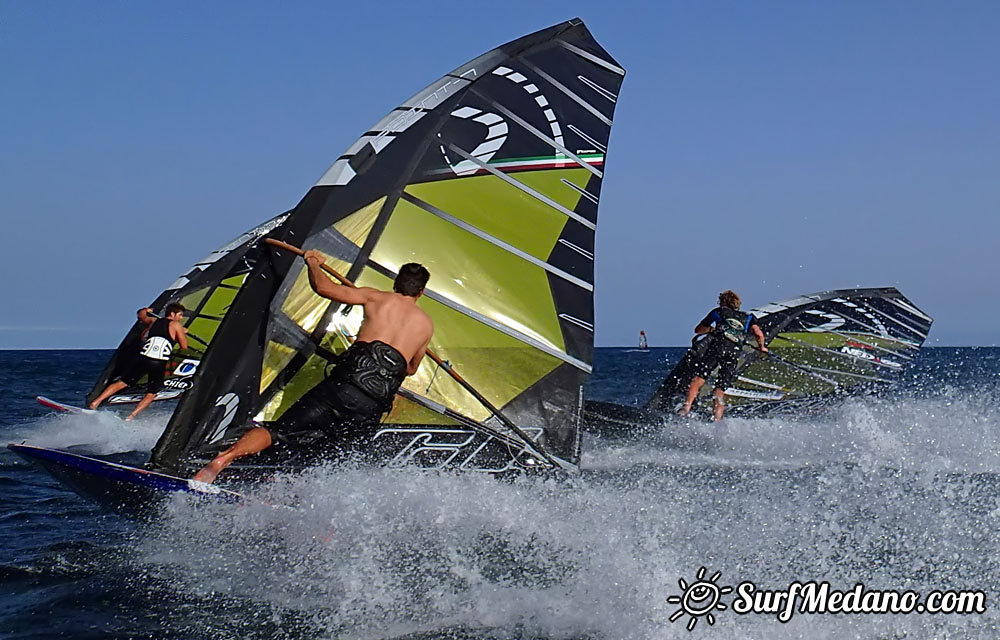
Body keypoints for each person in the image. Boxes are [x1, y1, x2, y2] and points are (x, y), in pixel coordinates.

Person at [192, 252, 433, 484]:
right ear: (421, 292)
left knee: (280, 432)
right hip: (371, 404)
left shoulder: (376, 297)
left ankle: (222, 461)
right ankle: (308, 506)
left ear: (396, 283)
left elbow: (324, 288)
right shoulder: (425, 325)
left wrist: (312, 262)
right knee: (341, 459)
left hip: (342, 387)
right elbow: (410, 368)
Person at [679, 290, 767, 422]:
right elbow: (759, 334)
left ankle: (686, 408)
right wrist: (762, 347)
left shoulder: (719, 312)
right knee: (720, 391)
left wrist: (711, 330)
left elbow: (698, 330)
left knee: (699, 379)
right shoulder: (748, 317)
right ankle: (717, 421)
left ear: (723, 302)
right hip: (734, 352)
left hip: (718, 348)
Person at [89, 303, 188, 420]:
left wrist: (145, 310)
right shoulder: (175, 325)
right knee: (151, 393)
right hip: (158, 363)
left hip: (143, 358)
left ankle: (95, 403)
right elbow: (183, 346)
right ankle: (130, 417)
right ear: (172, 314)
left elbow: (141, 315)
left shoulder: (153, 321)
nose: (181, 318)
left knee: (123, 382)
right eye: (180, 315)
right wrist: (182, 332)